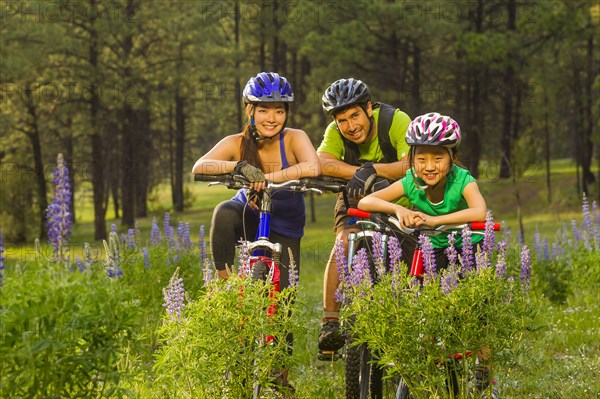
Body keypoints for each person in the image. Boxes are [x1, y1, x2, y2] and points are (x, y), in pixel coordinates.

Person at [191, 72, 320, 393]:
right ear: (250, 110)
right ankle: (225, 288)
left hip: (286, 226)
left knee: (285, 304)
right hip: (248, 214)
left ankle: (281, 379)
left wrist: (269, 177)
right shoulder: (237, 142)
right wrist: (238, 168)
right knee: (223, 212)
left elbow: (313, 167)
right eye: (263, 110)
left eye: (279, 110)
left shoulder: (294, 138)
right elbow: (200, 166)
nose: (272, 118)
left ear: (287, 113)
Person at [358, 112, 496, 396]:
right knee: (423, 302)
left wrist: (435, 221)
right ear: (411, 160)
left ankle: (484, 363)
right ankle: (428, 355)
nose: (429, 166)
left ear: (452, 157)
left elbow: (479, 210)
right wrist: (400, 209)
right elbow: (366, 200)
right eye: (421, 159)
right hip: (432, 250)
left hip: (466, 246)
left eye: (438, 158)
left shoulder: (463, 179)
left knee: (473, 308)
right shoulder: (410, 181)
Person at [316, 78, 412, 355]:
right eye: (343, 120)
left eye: (355, 115)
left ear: (368, 108)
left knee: (405, 262)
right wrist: (360, 173)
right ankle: (330, 323)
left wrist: (372, 170)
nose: (350, 126)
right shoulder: (335, 131)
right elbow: (322, 163)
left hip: (399, 202)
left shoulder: (395, 121)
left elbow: (411, 164)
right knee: (344, 242)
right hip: (354, 201)